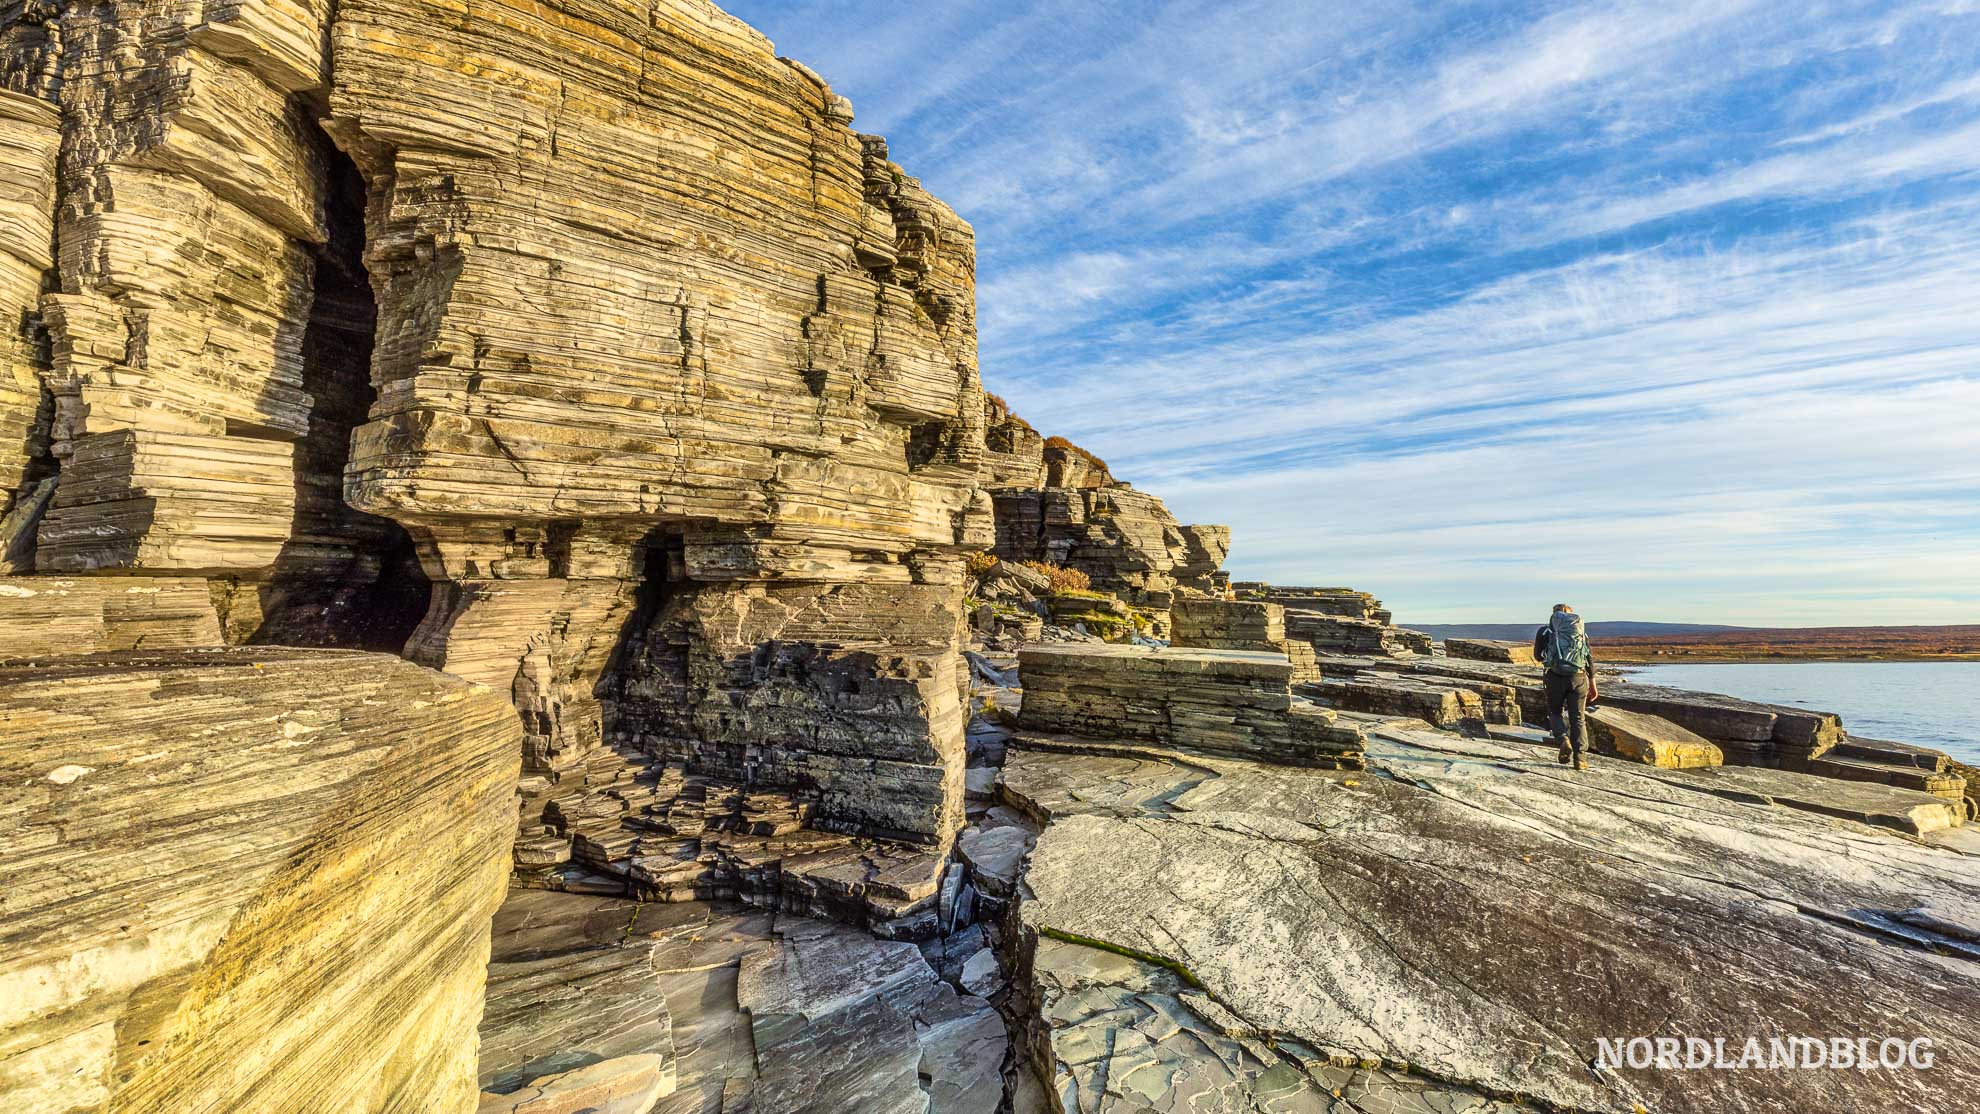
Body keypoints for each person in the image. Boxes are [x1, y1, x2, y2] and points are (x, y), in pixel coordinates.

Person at [1533, 603, 1598, 770]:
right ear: (1571, 615)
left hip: (1554, 677)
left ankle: (1563, 739)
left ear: (1554, 615)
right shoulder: (1580, 631)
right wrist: (1593, 684)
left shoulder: (1545, 631)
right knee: (1578, 718)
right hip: (1578, 678)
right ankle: (1580, 759)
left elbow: (1538, 656)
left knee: (1555, 712)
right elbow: (1589, 658)